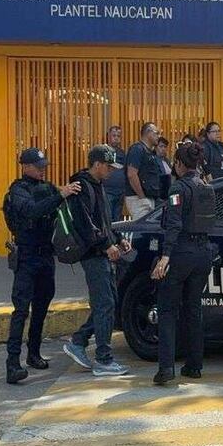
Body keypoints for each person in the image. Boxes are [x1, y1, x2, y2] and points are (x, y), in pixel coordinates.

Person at [2, 147, 80, 384]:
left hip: (46, 255)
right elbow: (32, 211)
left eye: (44, 166)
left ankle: (33, 353)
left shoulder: (46, 188)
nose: (42, 170)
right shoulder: (18, 190)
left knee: (42, 307)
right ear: (25, 167)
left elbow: (61, 205)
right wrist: (60, 195)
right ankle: (12, 364)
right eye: (38, 167)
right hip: (26, 256)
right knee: (21, 310)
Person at [61, 145, 132, 377]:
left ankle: (79, 341)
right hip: (92, 254)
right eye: (108, 167)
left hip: (102, 252)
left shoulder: (98, 185)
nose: (111, 171)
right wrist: (105, 245)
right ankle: (103, 359)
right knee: (105, 304)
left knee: (109, 302)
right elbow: (85, 225)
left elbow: (104, 221)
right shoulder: (82, 187)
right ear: (97, 164)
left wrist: (118, 239)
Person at [151, 142, 216, 385]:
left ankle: (166, 368)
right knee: (193, 309)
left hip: (181, 253)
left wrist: (165, 256)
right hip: (203, 252)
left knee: (167, 310)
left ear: (178, 163)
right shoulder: (207, 187)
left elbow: (174, 224)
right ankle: (194, 365)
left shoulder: (178, 188)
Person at [125, 122, 164, 220]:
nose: (159, 136)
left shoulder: (150, 152)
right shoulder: (137, 149)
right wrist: (142, 197)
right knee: (142, 227)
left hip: (149, 197)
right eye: (156, 133)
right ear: (148, 132)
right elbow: (131, 174)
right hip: (138, 197)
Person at [102, 125, 127, 221]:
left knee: (118, 220)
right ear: (108, 136)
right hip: (107, 190)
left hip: (120, 191)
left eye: (118, 136)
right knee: (108, 218)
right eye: (114, 135)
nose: (116, 138)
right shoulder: (102, 150)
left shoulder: (122, 153)